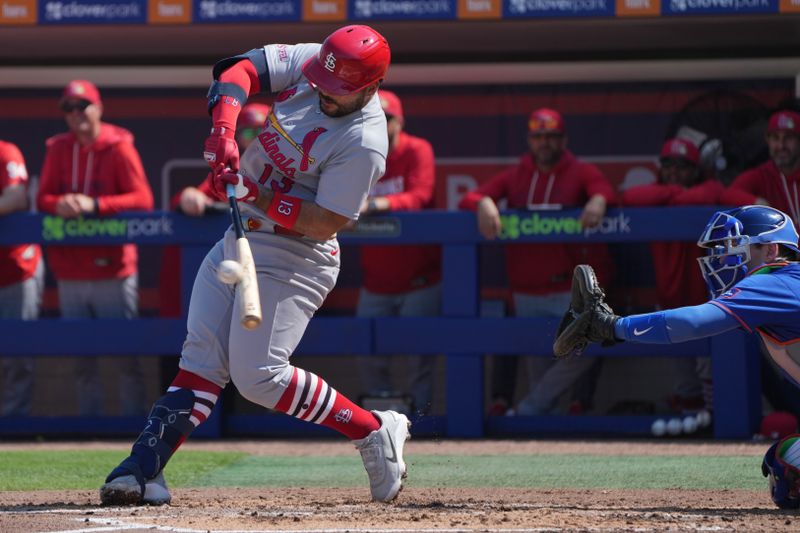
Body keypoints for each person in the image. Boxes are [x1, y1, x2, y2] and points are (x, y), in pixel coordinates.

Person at [100, 25, 410, 506]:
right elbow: (238, 68)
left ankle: (374, 429)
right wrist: (223, 130)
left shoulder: (365, 140)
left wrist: (261, 196)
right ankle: (141, 470)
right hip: (241, 233)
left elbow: (327, 222)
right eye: (321, 84)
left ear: (370, 88)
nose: (323, 94)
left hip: (297, 254)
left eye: (336, 93)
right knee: (200, 360)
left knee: (259, 376)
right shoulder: (317, 61)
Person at [552, 204, 800, 509]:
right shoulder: (787, 283)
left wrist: (613, 326)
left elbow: (692, 322)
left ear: (772, 250)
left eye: (734, 247)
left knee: (789, 466)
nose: (722, 258)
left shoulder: (775, 280)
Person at [458, 107, 615, 416]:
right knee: (540, 369)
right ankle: (539, 431)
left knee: (588, 346)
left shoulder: (579, 170)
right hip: (526, 290)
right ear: (530, 140)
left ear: (564, 139)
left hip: (567, 291)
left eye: (552, 137)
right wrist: (486, 202)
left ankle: (529, 409)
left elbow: (605, 189)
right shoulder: (518, 174)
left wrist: (598, 200)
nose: (545, 143)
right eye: (539, 137)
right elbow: (470, 198)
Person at [36, 79, 154, 416]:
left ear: (98, 108)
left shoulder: (119, 145)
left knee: (125, 356)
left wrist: (95, 204)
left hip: (113, 269)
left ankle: (135, 429)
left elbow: (143, 200)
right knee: (81, 358)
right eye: (69, 109)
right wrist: (60, 203)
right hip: (71, 270)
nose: (75, 114)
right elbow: (42, 198)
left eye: (82, 106)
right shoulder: (58, 148)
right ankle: (89, 429)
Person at [622, 138, 724, 415]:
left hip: (705, 300)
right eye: (669, 165)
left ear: (695, 169)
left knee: (708, 367)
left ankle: (716, 421)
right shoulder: (655, 194)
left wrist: (672, 196)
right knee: (683, 371)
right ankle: (694, 420)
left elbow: (712, 192)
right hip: (671, 299)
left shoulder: (706, 188)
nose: (674, 172)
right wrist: (672, 194)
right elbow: (629, 198)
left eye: (682, 166)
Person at [356, 89, 440, 416]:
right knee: (369, 352)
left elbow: (420, 196)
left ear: (399, 121)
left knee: (420, 357)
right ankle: (380, 417)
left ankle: (419, 420)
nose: (380, 123)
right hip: (376, 281)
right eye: (374, 117)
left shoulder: (418, 150)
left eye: (386, 118)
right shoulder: (361, 152)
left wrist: (379, 204)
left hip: (421, 279)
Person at [0, 140, 43, 416]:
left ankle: (14, 427)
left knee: (17, 357)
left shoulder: (6, 151)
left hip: (15, 268)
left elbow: (16, 197)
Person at [721, 109, 800, 227]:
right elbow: (728, 194)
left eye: (788, 138)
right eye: (775, 138)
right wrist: (758, 203)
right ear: (767, 141)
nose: (781, 145)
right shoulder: (762, 174)